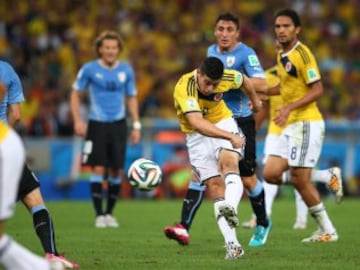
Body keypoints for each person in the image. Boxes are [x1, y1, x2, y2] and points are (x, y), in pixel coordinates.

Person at [164, 12, 271, 247]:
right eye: (220, 29)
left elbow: (254, 81)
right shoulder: (210, 57)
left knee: (248, 177)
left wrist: (256, 101)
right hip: (210, 122)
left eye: (229, 30)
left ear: (237, 33)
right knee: (204, 177)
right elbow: (197, 117)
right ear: (214, 31)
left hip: (238, 119)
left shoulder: (245, 54)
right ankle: (189, 226)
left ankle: (262, 222)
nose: (224, 34)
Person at [167, 56, 262, 259]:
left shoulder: (226, 77)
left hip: (223, 122)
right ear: (198, 73)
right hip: (196, 135)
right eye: (207, 83)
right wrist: (230, 137)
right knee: (216, 187)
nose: (210, 88)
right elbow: (197, 123)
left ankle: (231, 208)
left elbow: (244, 80)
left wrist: (255, 101)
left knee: (229, 164)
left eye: (215, 84)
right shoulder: (185, 87)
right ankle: (233, 245)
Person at [263, 8, 339, 243]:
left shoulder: (302, 54)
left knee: (299, 179)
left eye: (286, 26)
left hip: (306, 123)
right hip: (292, 126)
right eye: (277, 26)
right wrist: (262, 93)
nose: (281, 30)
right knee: (270, 173)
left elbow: (317, 89)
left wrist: (287, 108)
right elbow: (285, 87)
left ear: (297, 29)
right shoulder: (282, 54)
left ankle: (328, 230)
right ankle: (326, 176)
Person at [242, 64, 343, 230]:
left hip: (300, 127)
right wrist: (253, 128)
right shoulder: (269, 75)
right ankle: (325, 177)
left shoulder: (298, 68)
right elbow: (264, 107)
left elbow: (314, 92)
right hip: (277, 131)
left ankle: (300, 220)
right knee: (273, 173)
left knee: (299, 174)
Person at [0, 60, 79, 268]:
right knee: (34, 200)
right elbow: (16, 115)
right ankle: (51, 254)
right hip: (3, 145)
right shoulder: (6, 71)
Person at [70, 30, 141, 228]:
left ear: (118, 49)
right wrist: (77, 120)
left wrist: (136, 124)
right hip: (96, 123)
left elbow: (132, 97)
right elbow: (75, 94)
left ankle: (109, 213)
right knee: (98, 167)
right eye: (107, 47)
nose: (110, 51)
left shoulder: (126, 71)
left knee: (117, 170)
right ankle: (98, 214)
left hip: (119, 123)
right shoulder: (89, 69)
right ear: (100, 49)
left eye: (114, 48)